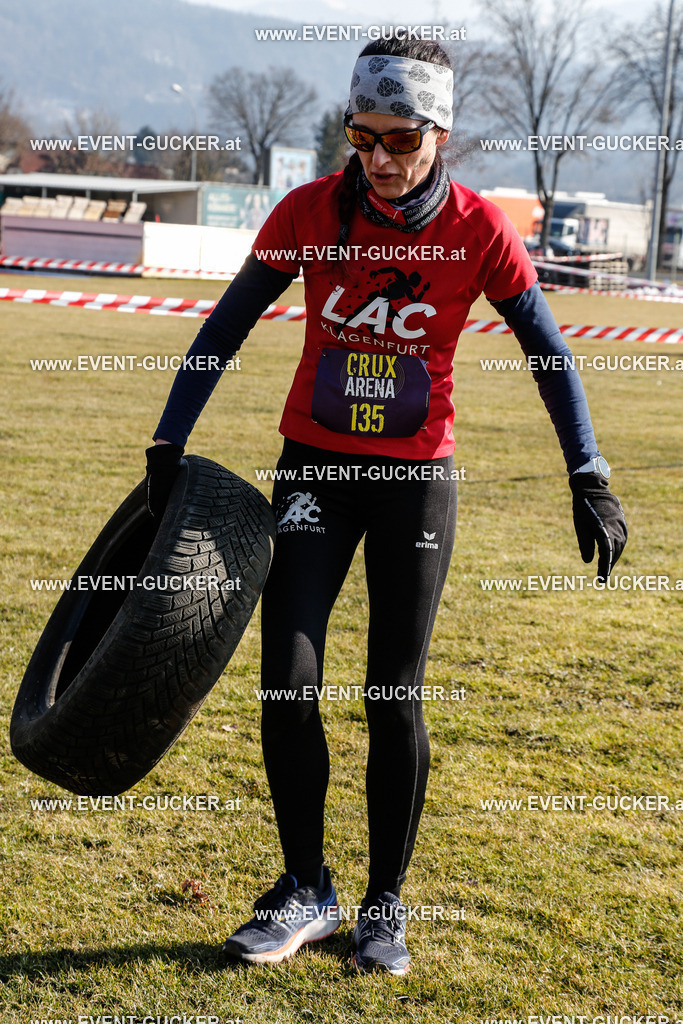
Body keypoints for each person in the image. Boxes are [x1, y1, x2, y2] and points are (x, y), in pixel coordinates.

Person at [145, 35, 627, 975]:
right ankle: (306, 890)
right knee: (287, 680)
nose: (377, 159)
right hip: (313, 471)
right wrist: (168, 440)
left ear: (439, 134)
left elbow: (549, 355)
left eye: (398, 140)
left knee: (392, 694)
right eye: (360, 136)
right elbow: (225, 326)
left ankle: (383, 907)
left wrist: (588, 472)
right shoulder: (309, 210)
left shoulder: (480, 229)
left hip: (415, 482)